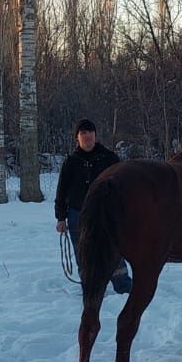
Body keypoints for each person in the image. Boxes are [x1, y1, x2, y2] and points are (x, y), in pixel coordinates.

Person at [55, 118, 132, 294]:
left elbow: (123, 187)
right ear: (77, 137)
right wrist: (60, 218)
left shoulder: (110, 158)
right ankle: (91, 288)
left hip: (106, 214)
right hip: (77, 214)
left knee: (112, 250)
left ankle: (123, 286)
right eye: (83, 132)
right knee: (83, 253)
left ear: (95, 136)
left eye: (90, 132)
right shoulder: (70, 162)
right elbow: (61, 193)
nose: (87, 135)